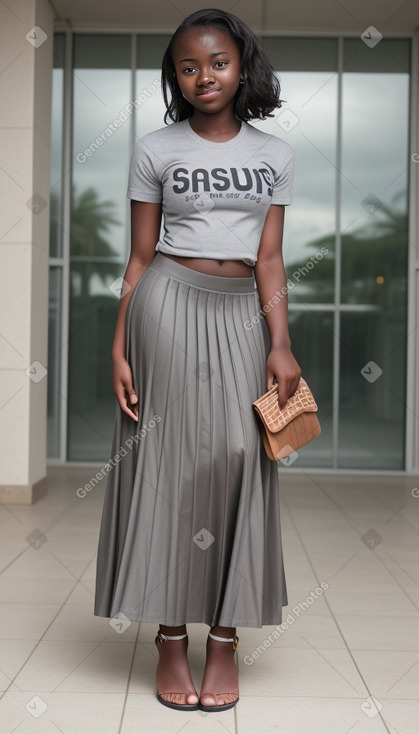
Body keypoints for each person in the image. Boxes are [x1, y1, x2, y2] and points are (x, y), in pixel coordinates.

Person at [94, 7, 301, 714]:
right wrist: (120, 341)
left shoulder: (273, 154)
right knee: (169, 464)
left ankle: (225, 641)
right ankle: (171, 637)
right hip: (168, 304)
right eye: (187, 66)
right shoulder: (155, 147)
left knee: (241, 460)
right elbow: (140, 254)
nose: (202, 75)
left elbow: (269, 257)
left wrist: (279, 340)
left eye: (216, 62)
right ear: (174, 77)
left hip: (242, 309)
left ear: (241, 66)